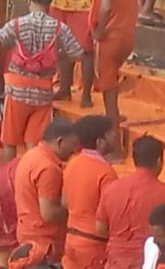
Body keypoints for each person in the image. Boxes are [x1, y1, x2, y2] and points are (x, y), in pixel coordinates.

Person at [0, 0, 84, 163]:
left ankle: (7, 182)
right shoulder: (59, 28)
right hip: (43, 93)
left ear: (28, 1)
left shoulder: (17, 24)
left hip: (16, 91)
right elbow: (77, 54)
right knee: (35, 145)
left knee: (9, 143)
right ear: (49, 4)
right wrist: (57, 54)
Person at [98, 136, 165, 266]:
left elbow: (100, 229)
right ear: (159, 161)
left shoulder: (112, 188)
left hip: (115, 262)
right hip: (150, 262)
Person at [86, 0, 140, 134]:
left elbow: (106, 5)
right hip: (127, 38)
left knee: (108, 94)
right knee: (112, 85)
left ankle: (115, 145)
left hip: (109, 40)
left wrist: (99, 30)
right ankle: (114, 118)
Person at [14, 117, 78, 262]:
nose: (74, 150)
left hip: (27, 232)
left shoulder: (31, 155)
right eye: (72, 145)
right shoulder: (48, 168)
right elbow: (49, 214)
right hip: (44, 242)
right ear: (60, 141)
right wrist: (76, 210)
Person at [61, 115, 118, 269]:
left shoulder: (72, 163)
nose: (115, 135)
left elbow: (64, 202)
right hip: (93, 246)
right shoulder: (106, 172)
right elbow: (110, 215)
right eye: (111, 133)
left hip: (71, 240)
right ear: (100, 142)